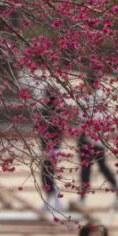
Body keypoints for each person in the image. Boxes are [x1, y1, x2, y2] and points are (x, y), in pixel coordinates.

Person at [77, 76, 118, 210]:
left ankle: (83, 198)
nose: (83, 87)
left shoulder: (93, 99)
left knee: (89, 168)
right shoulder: (98, 98)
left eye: (85, 84)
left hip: (91, 139)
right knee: (95, 167)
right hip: (95, 139)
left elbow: (87, 119)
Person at [39, 85, 66, 213]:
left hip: (51, 149)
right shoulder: (56, 111)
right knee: (48, 175)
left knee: (47, 175)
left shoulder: (49, 112)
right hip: (52, 148)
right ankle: (53, 200)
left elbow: (46, 133)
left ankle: (56, 201)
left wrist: (47, 149)